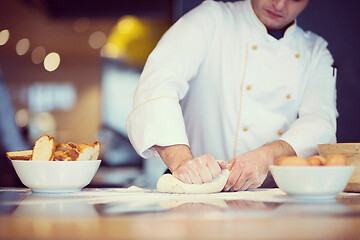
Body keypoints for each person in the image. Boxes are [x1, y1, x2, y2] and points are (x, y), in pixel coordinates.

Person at [127, 0, 337, 191]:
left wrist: (266, 157)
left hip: (271, 199)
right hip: (195, 192)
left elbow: (320, 121)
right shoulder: (211, 19)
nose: (279, 5)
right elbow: (159, 82)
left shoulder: (315, 52)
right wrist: (182, 162)